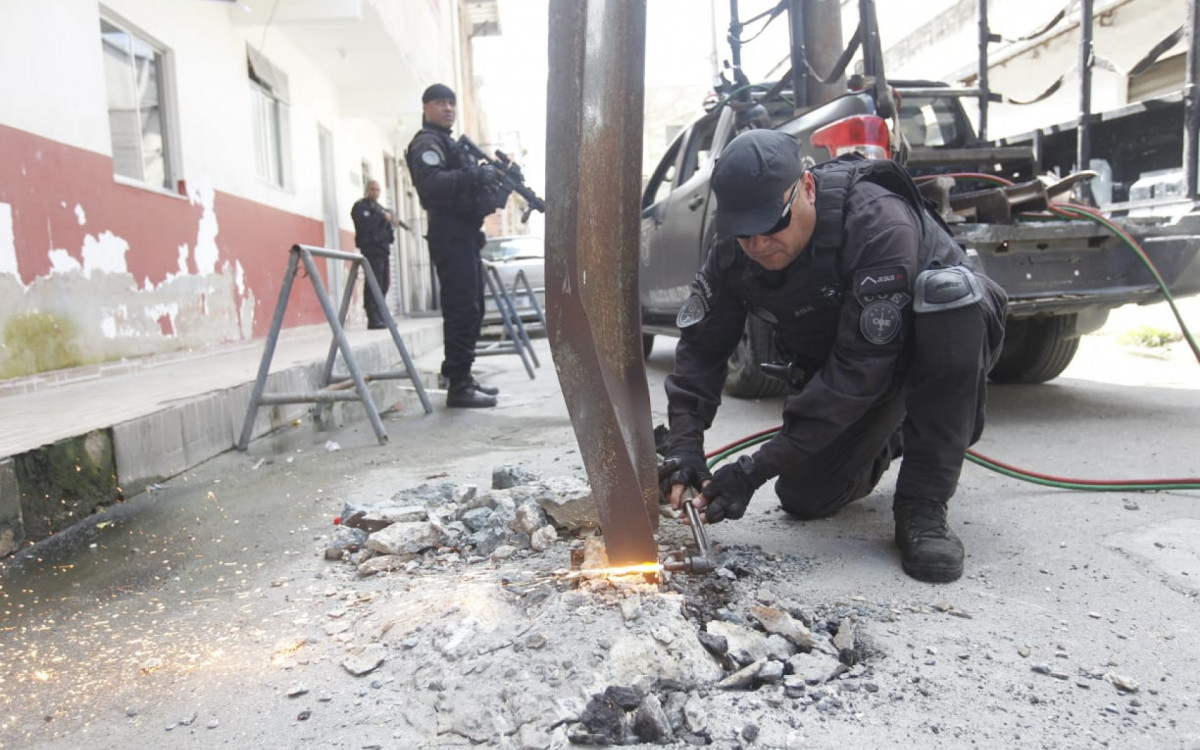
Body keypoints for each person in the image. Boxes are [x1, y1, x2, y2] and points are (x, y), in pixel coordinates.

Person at [659, 129, 1008, 583]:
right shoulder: (734, 248)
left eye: (771, 225)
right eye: (744, 233)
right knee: (805, 496)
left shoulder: (876, 222)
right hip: (856, 365)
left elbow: (856, 374)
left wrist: (753, 469)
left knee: (947, 297)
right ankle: (902, 430)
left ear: (807, 187)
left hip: (937, 348)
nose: (758, 244)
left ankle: (924, 503)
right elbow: (701, 351)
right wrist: (686, 444)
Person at [405, 83, 501, 409]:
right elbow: (431, 186)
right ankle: (458, 385)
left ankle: (465, 375)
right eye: (439, 102)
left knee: (474, 308)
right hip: (449, 234)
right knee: (461, 308)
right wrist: (474, 177)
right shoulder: (426, 143)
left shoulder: (448, 143)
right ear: (426, 107)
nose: (447, 108)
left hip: (466, 234)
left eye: (451, 103)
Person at [350, 180, 395, 330]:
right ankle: (373, 317)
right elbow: (365, 224)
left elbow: (389, 230)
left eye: (377, 189)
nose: (375, 192)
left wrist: (387, 220)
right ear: (367, 190)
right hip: (370, 250)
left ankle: (381, 313)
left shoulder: (381, 209)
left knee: (384, 283)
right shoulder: (360, 207)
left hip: (383, 250)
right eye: (372, 189)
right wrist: (382, 218)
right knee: (373, 283)